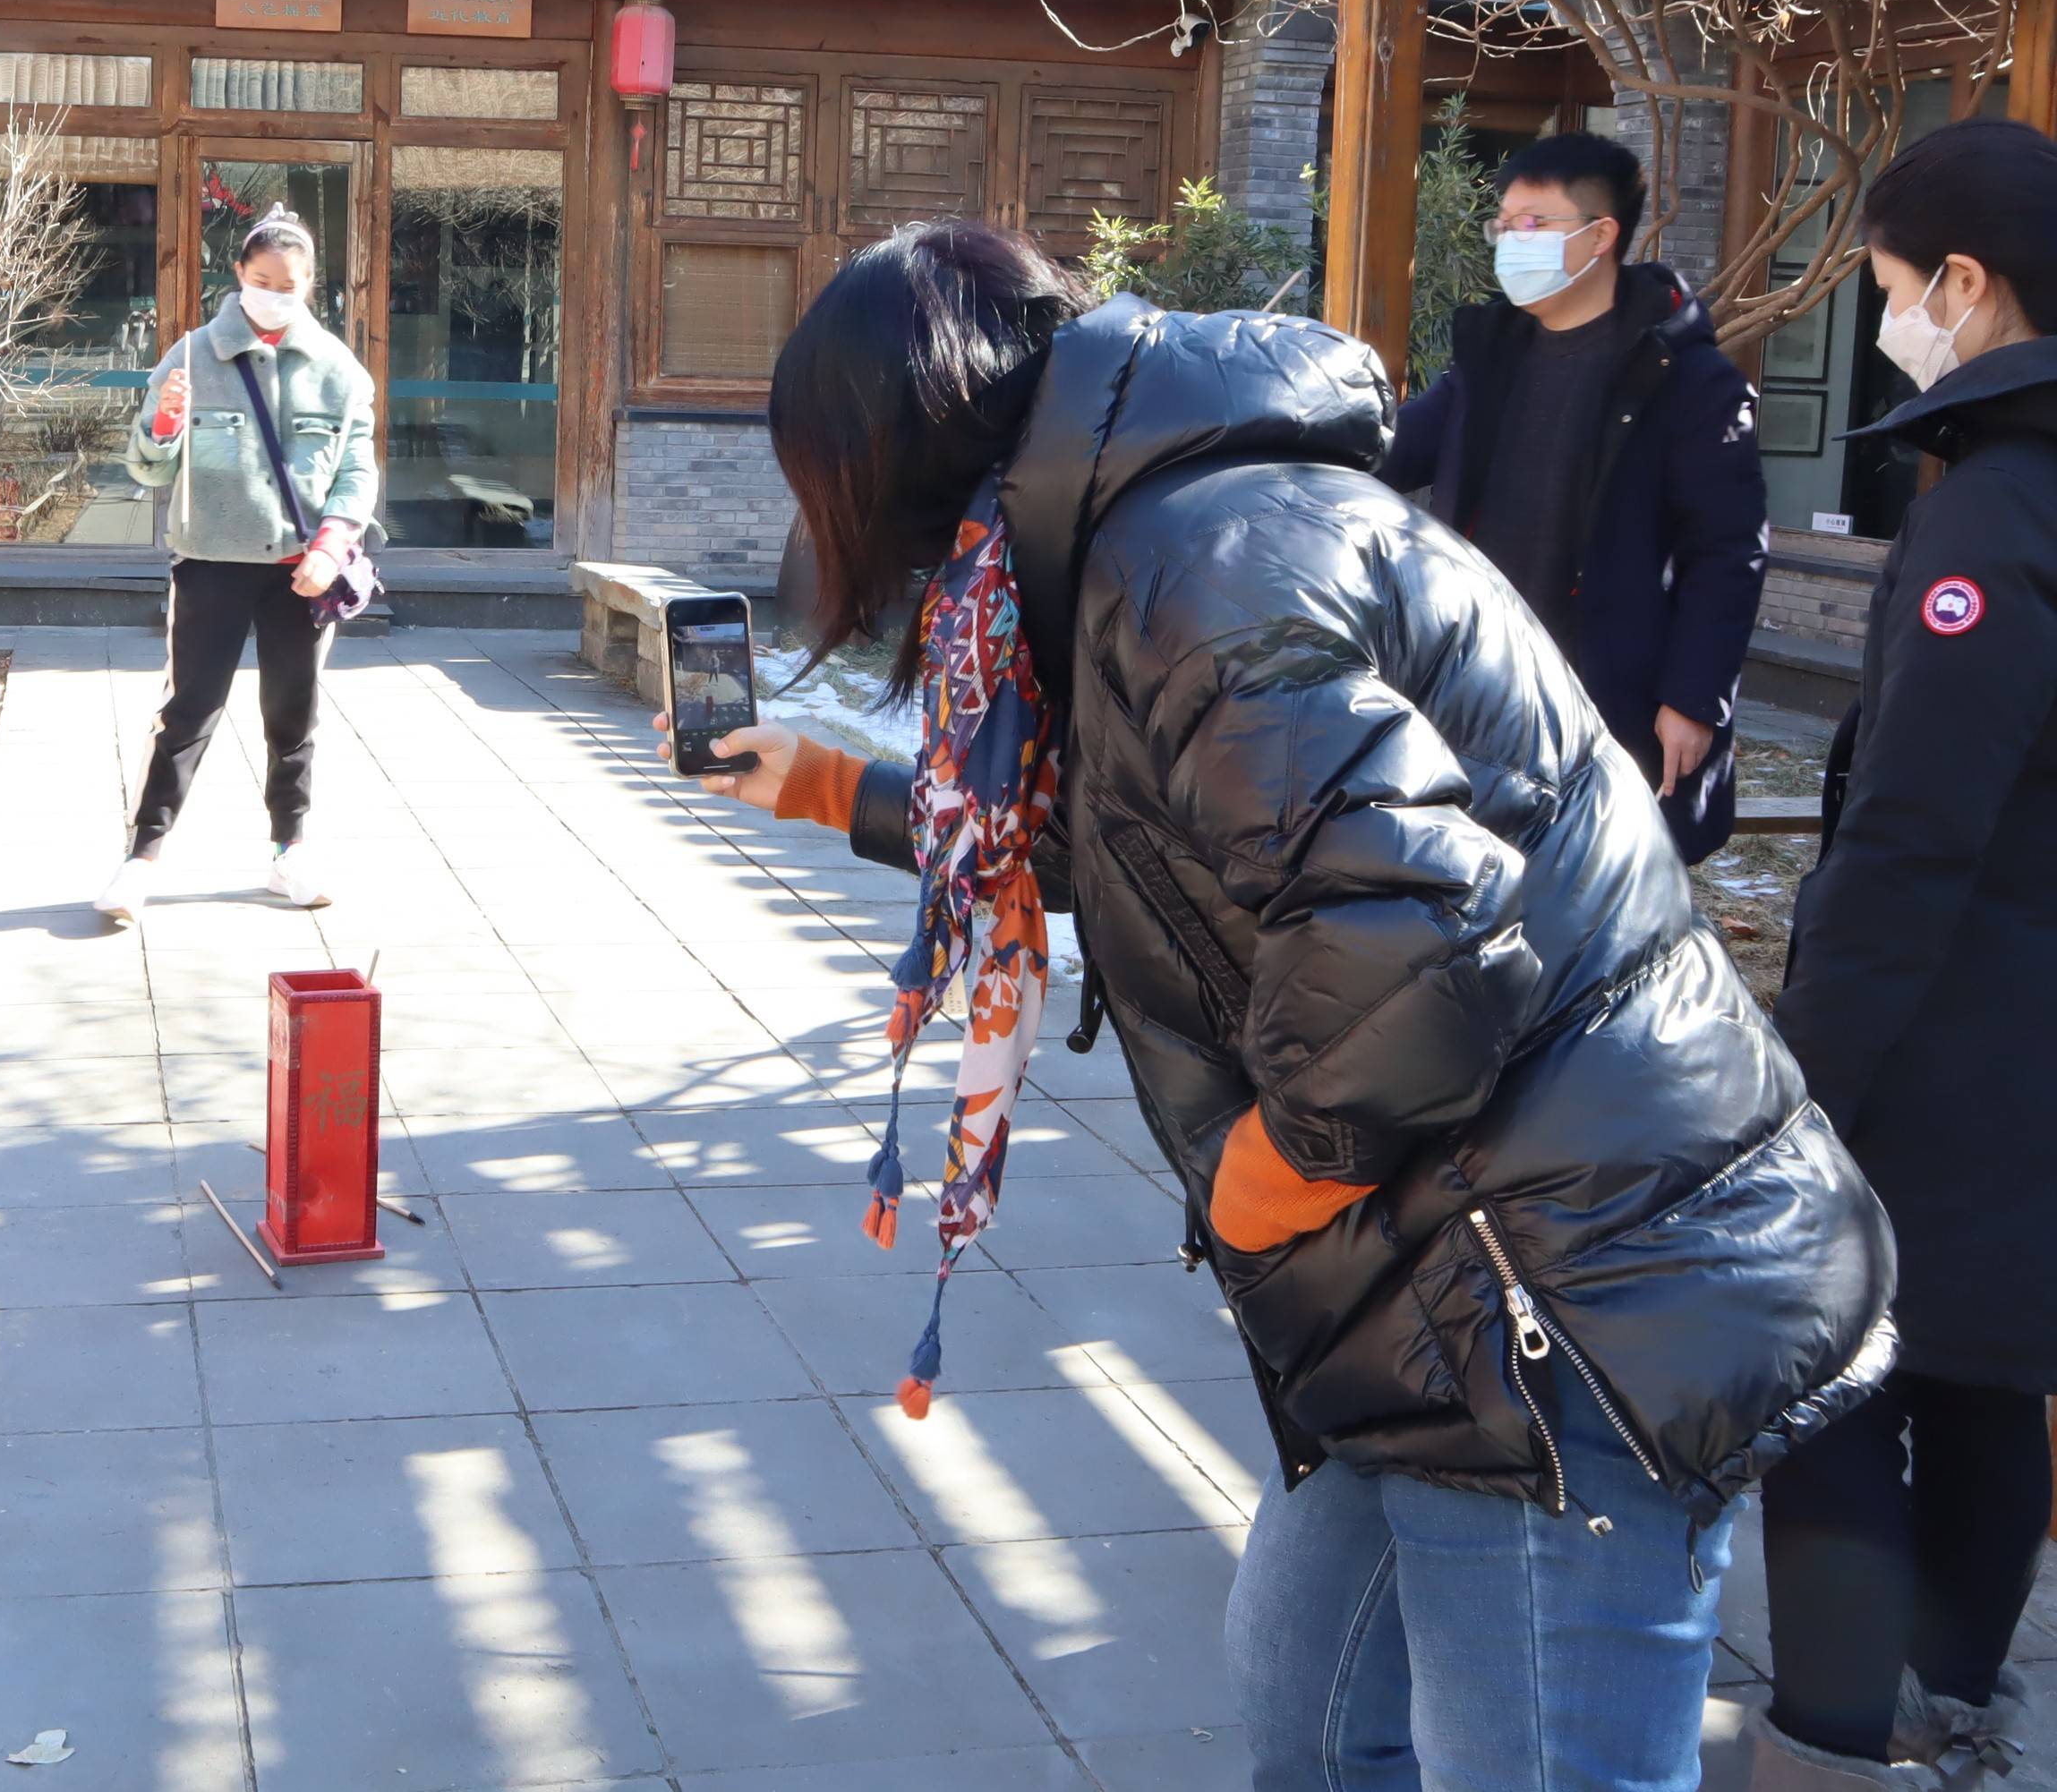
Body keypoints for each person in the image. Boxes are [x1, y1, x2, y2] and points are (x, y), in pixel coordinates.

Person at [678, 223, 1892, 1792]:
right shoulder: (1157, 536)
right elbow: (1156, 830)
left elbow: (1413, 926)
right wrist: (839, 784)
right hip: (1425, 1275)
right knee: (1310, 1716)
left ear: (894, 447)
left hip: (1559, 1290)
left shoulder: (1206, 557)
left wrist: (1274, 1171)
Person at [1753, 118, 2057, 1791]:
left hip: (1958, 1033)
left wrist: (1797, 1075)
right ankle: (1953, 1700)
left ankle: (1830, 1737)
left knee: (1848, 1376)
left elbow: (1909, 835)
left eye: (1881, 284)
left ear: (1960, 283)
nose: (1882, 321)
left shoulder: (1987, 517)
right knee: (1991, 1367)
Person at [1383, 132, 1771, 862]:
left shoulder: (1687, 378)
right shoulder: (1490, 359)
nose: (1511, 240)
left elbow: (1728, 551)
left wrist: (1693, 700)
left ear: (1601, 236)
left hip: (1615, 691)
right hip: (1484, 683)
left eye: (1536, 223)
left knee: (1610, 901)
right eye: (1505, 223)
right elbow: (1390, 449)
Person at [95, 213, 376, 922]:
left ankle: (291, 851)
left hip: (301, 571)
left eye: (289, 284)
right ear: (239, 278)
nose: (275, 294)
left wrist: (332, 544)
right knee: (187, 712)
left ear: (311, 285)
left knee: (294, 716)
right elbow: (147, 468)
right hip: (212, 565)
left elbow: (357, 470)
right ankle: (141, 858)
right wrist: (162, 423)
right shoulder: (191, 356)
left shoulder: (339, 371)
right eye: (261, 282)